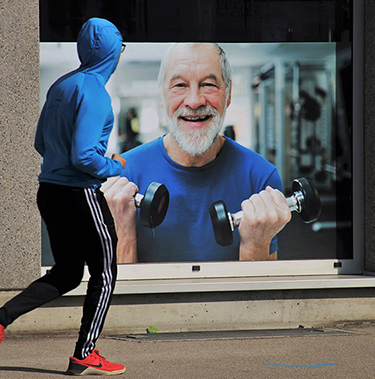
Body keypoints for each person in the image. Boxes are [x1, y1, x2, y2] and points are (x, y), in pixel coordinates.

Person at [0, 18, 126, 376]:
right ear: (112, 53)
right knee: (106, 271)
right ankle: (85, 352)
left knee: (69, 272)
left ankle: (0, 319)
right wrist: (114, 165)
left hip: (50, 193)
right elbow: (84, 156)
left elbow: (40, 143)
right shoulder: (96, 94)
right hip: (79, 195)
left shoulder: (62, 85)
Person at [103, 43, 291, 264]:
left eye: (208, 85)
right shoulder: (123, 174)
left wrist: (255, 244)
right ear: (162, 97)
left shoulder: (261, 176)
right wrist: (124, 234)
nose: (194, 101)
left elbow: (263, 295)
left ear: (228, 95)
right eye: (180, 85)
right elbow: (115, 294)